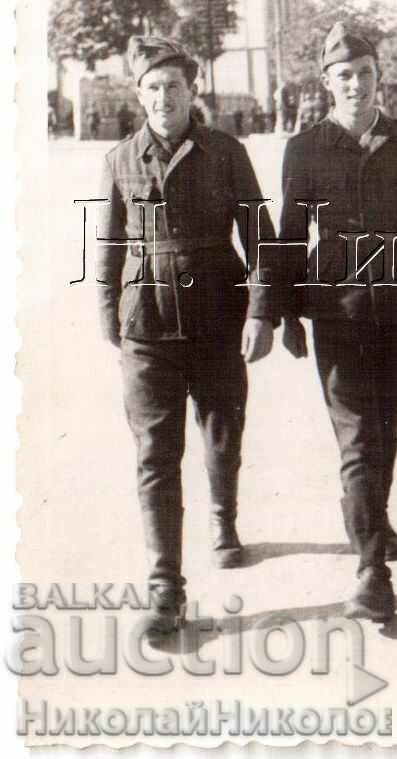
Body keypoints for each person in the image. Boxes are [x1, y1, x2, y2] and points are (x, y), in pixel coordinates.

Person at [279, 22, 397, 623]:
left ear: (377, 77)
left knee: (386, 423)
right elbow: (288, 238)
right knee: (358, 433)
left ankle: (374, 520)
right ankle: (371, 571)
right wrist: (284, 313)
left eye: (364, 73)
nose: (356, 85)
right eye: (344, 76)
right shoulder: (305, 147)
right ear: (327, 83)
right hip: (335, 303)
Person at [96, 35, 276, 634]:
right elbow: (112, 243)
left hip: (217, 316)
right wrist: (107, 312)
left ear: (191, 91)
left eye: (173, 85)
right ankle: (163, 585)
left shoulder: (225, 152)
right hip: (145, 320)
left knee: (222, 429)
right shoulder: (120, 158)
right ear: (138, 94)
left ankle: (223, 517)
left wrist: (259, 312)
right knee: (155, 451)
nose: (163, 97)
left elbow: (261, 238)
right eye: (152, 87)